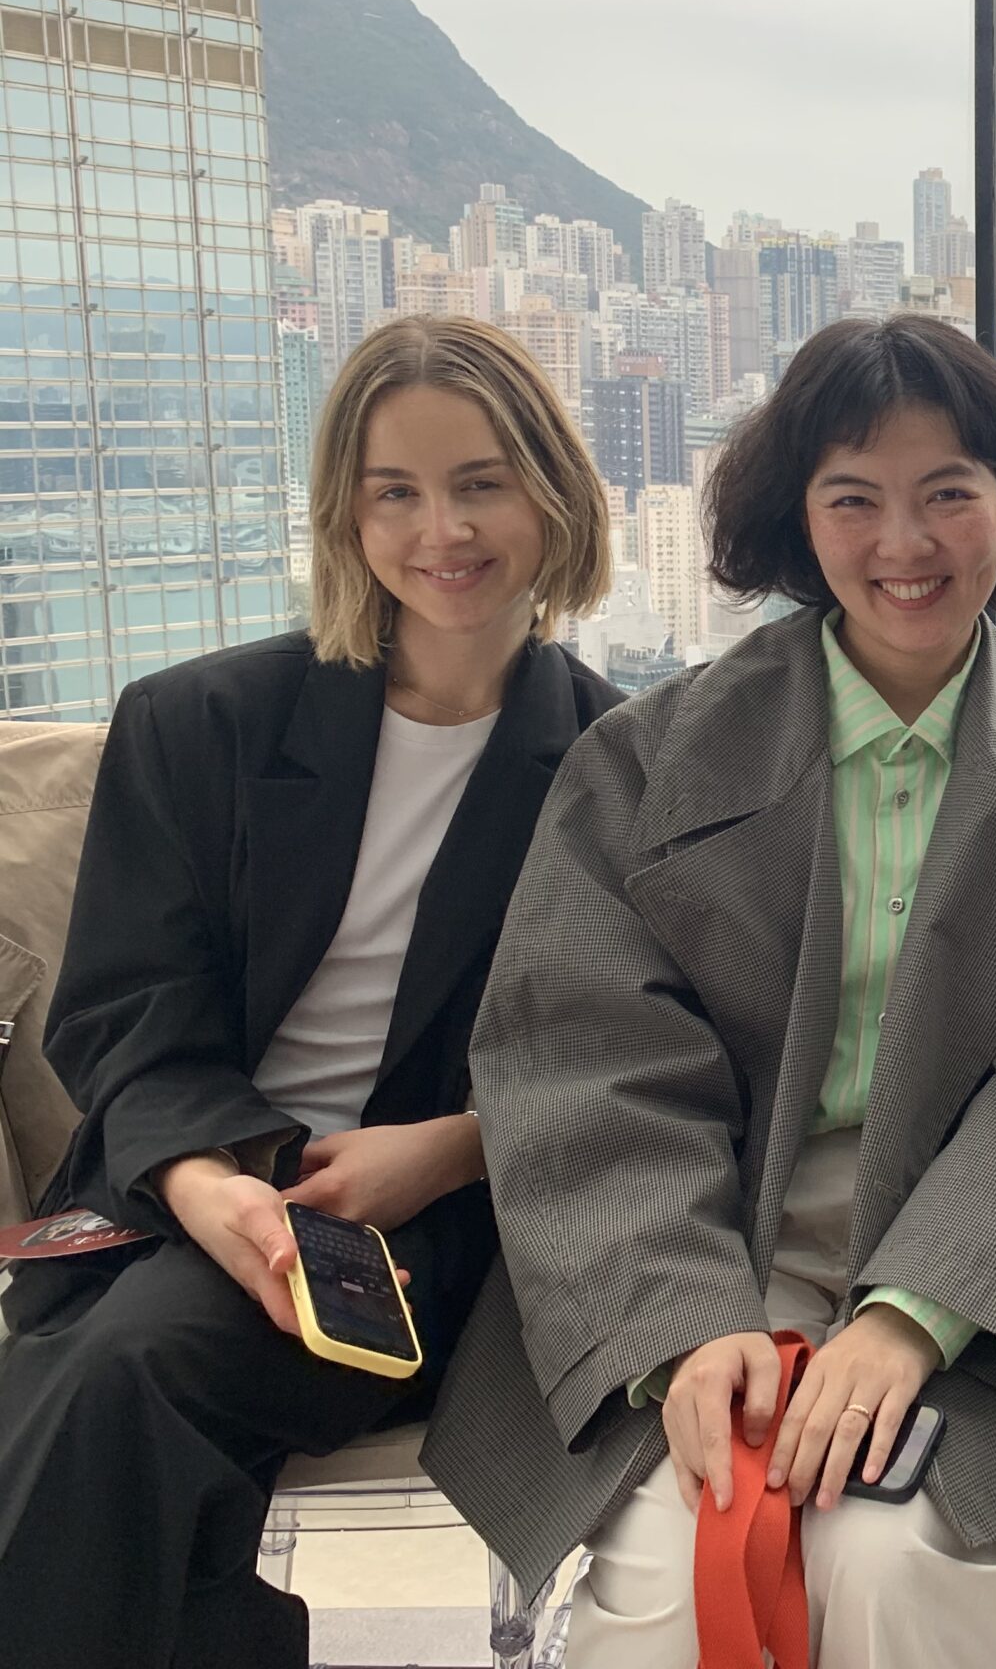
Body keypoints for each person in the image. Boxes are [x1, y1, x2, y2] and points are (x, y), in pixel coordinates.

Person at [422, 313, 996, 1669]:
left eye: (951, 493)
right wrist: (685, 1323)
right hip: (698, 1239)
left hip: (973, 1265)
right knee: (667, 1564)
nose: (907, 544)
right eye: (856, 500)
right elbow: (580, 1067)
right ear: (796, 518)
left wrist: (907, 1320)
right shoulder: (645, 764)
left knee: (900, 1559)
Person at [0, 317, 618, 1669]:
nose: (439, 528)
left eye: (480, 481)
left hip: (430, 1245)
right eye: (393, 489)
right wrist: (207, 1184)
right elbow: (122, 1015)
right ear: (346, 511)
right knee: (103, 1405)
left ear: (554, 494)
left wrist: (449, 1152)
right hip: (179, 1193)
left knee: (118, 1381)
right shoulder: (196, 726)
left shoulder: (617, 773)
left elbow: (640, 1063)